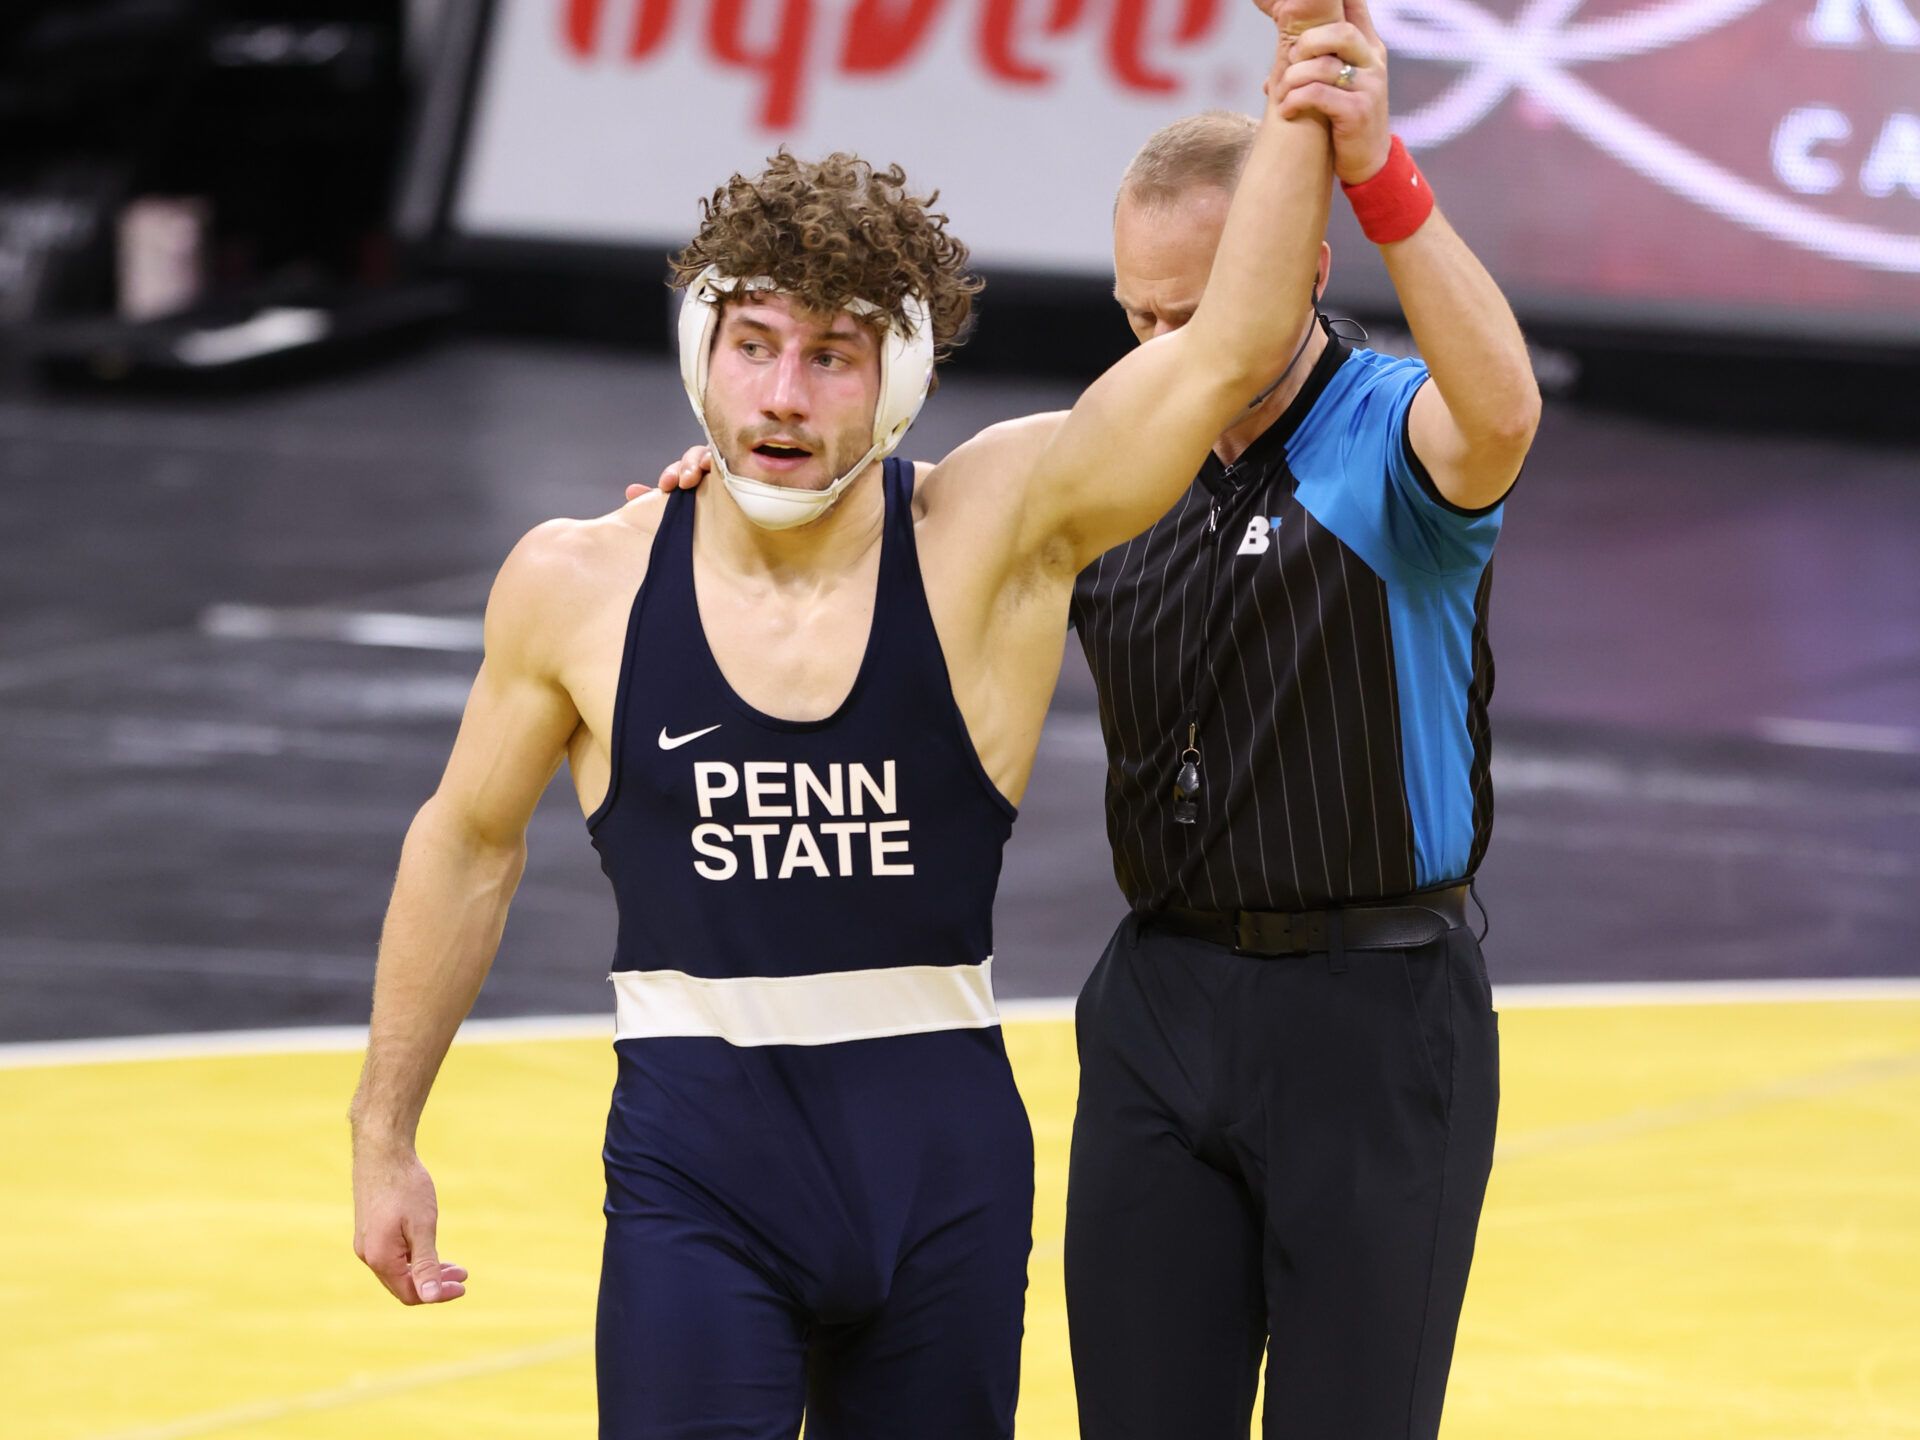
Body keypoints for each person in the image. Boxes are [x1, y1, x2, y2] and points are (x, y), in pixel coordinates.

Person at [348, 4, 1337, 1436]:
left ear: (905, 378)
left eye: (833, 355)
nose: (783, 397)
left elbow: (1232, 343)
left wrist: (1310, 68)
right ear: (703, 352)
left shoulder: (996, 528)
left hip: (941, 1174)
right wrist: (384, 1138)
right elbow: (466, 844)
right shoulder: (578, 581)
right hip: (700, 1174)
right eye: (753, 346)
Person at [635, 0, 1540, 1433]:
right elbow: (897, 532)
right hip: (1160, 1007)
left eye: (1194, 314)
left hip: (1369, 1011)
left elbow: (1499, 415)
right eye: (1138, 316)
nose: (1166, 346)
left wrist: (1383, 173)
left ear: (1295, 271)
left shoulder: (1383, 430)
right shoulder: (1119, 462)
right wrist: (741, 485)